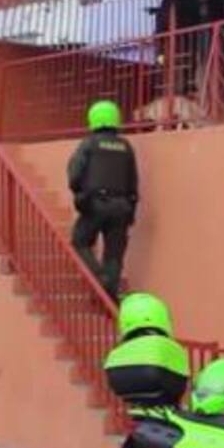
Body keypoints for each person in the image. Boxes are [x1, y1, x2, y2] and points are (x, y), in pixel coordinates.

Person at [68, 100, 139, 301]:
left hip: (95, 203)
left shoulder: (89, 144)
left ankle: (101, 280)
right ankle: (108, 296)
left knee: (80, 241)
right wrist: (132, 208)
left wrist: (79, 193)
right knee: (114, 255)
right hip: (123, 206)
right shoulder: (126, 146)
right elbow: (133, 179)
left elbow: (75, 174)